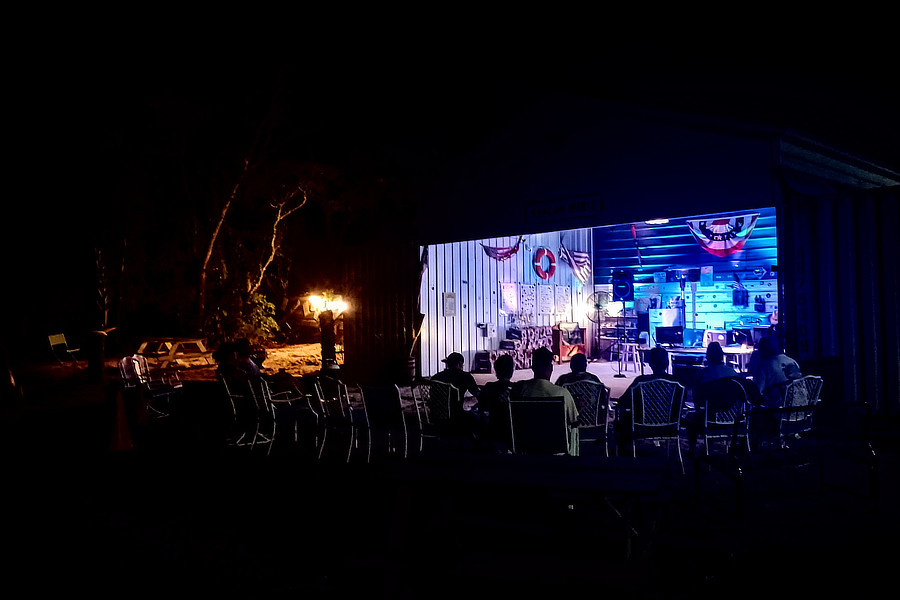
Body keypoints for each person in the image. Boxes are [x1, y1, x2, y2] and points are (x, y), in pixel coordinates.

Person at [510, 346, 580, 456]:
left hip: (527, 445)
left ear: (532, 367)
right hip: (556, 447)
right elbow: (574, 420)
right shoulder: (562, 393)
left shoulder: (520, 389)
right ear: (551, 368)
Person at [613, 345, 679, 454]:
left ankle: (622, 451)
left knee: (623, 418)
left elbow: (623, 402)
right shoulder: (677, 383)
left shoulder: (641, 381)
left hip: (641, 423)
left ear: (650, 363)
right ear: (667, 363)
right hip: (670, 424)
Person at [685, 342, 739, 454]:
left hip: (709, 418)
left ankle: (692, 449)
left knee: (689, 418)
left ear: (707, 356)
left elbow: (697, 400)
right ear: (721, 356)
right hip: (733, 418)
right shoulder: (733, 373)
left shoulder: (702, 374)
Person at [474, 354, 515, 449]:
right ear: (511, 371)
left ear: (496, 371)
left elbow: (481, 409)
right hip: (510, 431)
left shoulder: (488, 387)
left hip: (492, 430)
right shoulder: (516, 389)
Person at [751, 335, 802, 408]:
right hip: (800, 407)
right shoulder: (792, 361)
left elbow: (757, 390)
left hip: (778, 409)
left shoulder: (765, 365)